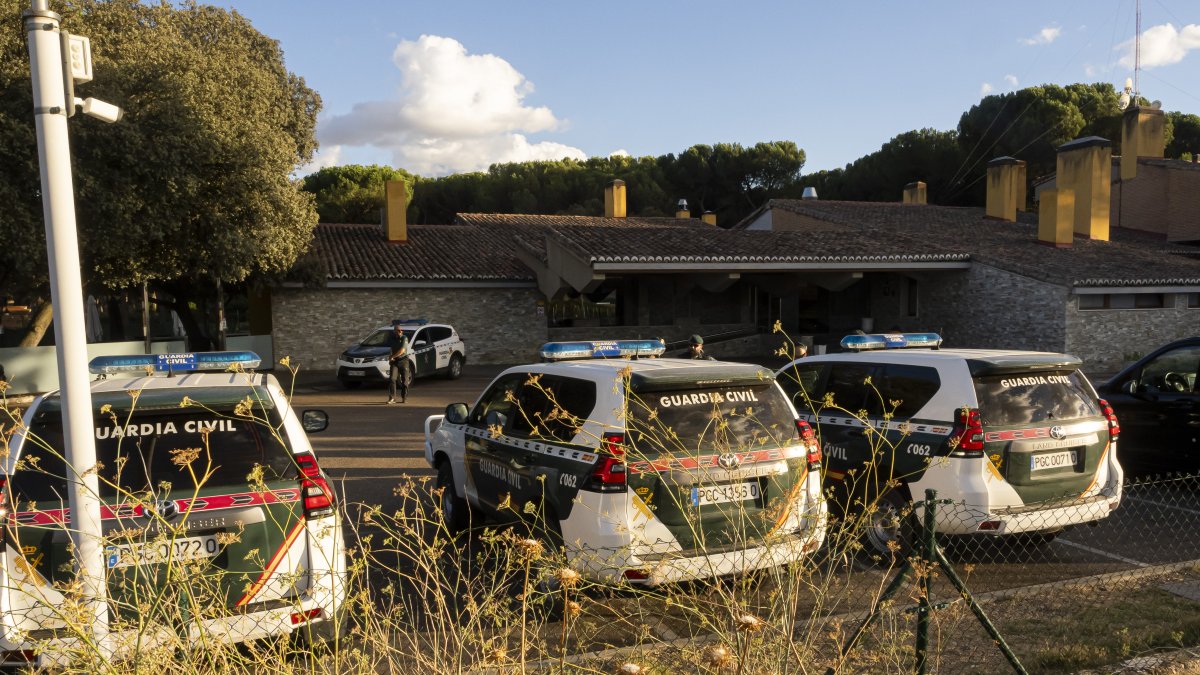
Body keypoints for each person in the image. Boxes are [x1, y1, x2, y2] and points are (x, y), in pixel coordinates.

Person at [386, 320, 410, 404]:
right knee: (392, 378)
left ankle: (404, 397)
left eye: (401, 330)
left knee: (405, 381)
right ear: (395, 331)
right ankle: (392, 398)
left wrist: (392, 356)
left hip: (403, 360)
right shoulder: (392, 339)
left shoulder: (404, 338)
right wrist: (390, 357)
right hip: (395, 361)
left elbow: (402, 351)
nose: (400, 332)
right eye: (398, 330)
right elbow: (390, 349)